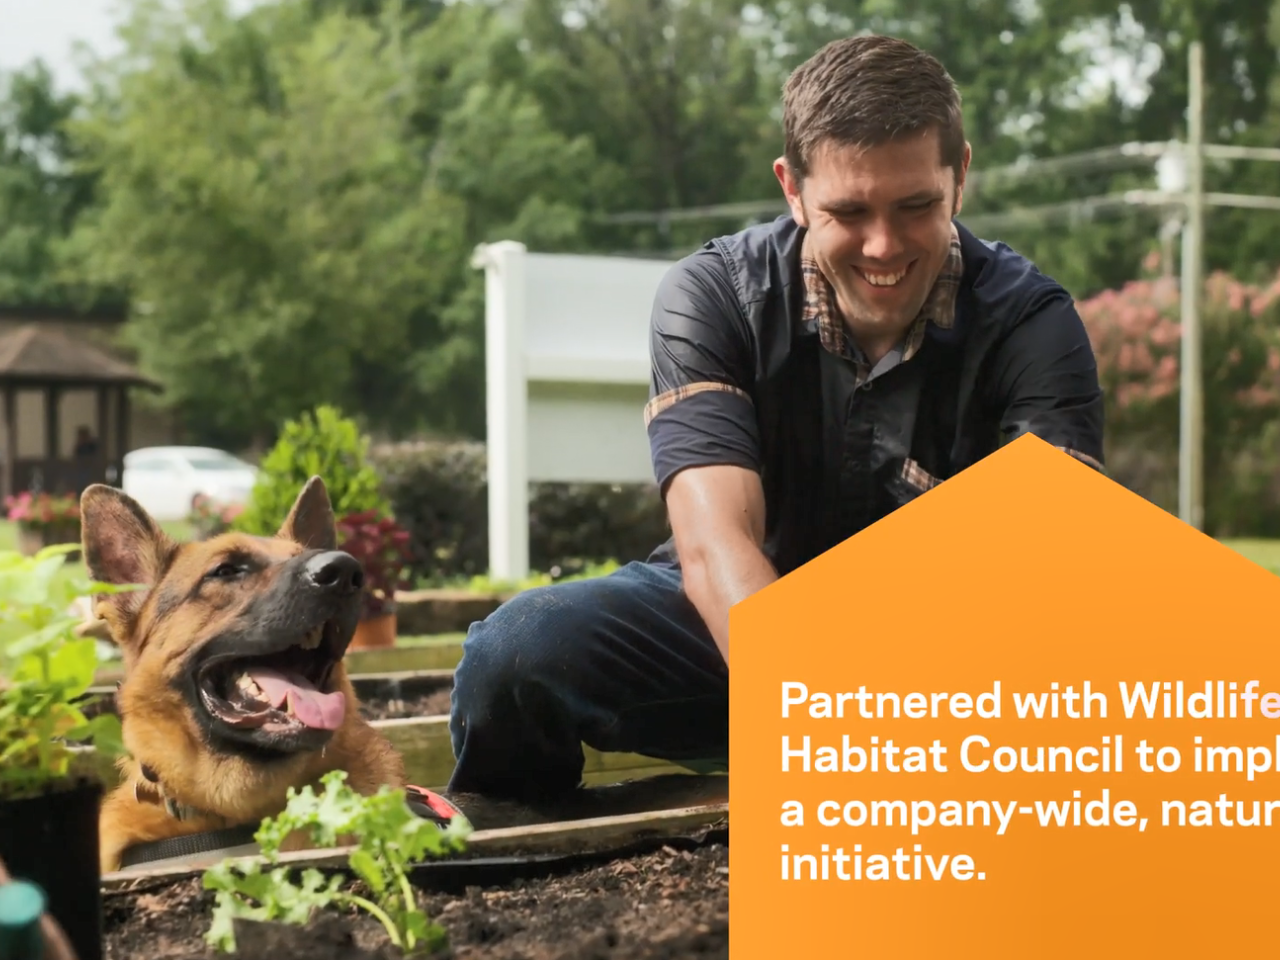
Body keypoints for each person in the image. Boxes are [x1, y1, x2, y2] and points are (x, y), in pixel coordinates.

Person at [446, 34, 1104, 802]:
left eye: (916, 205)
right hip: (745, 636)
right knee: (517, 652)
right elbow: (713, 543)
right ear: (792, 189)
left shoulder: (1033, 323)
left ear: (960, 176)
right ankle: (526, 847)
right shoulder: (715, 296)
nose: (884, 246)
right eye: (848, 211)